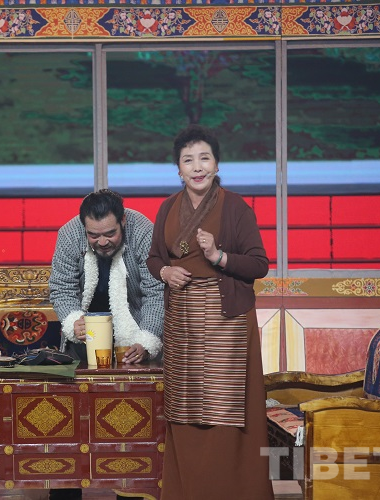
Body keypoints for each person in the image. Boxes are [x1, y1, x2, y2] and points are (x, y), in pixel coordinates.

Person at [146, 125, 274, 500]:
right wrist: (165, 272)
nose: (197, 167)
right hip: (182, 319)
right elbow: (154, 258)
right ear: (179, 170)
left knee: (226, 410)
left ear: (217, 165)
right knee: (184, 409)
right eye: (189, 160)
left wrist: (218, 256)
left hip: (226, 321)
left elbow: (259, 265)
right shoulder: (168, 208)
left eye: (205, 158)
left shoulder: (235, 207)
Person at [48, 189, 165, 500]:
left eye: (110, 233)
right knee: (69, 426)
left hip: (134, 337)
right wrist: (73, 320)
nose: (102, 242)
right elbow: (61, 288)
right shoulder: (69, 234)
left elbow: (156, 292)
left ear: (123, 221)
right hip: (84, 338)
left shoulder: (144, 231)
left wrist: (146, 339)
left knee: (135, 425)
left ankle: (133, 492)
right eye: (94, 235)